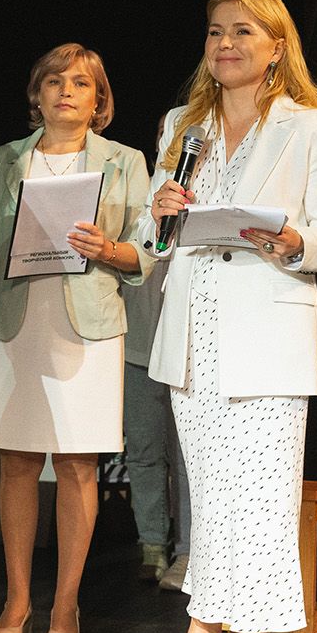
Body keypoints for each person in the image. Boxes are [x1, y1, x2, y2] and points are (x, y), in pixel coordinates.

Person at [122, 0, 317, 633]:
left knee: (262, 500)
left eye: (242, 32)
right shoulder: (181, 127)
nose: (225, 44)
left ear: (276, 46)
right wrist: (155, 221)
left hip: (267, 335)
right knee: (213, 498)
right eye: (215, 32)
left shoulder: (311, 128)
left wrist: (293, 240)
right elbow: (154, 244)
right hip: (194, 335)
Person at [0, 43, 153, 633]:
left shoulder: (125, 161)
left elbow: (149, 249)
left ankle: (66, 602)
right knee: (15, 461)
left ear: (99, 101)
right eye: (54, 81)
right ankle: (17, 598)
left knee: (76, 464)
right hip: (14, 326)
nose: (66, 90)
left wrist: (108, 249)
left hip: (88, 327)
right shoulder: (3, 161)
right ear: (36, 94)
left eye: (81, 83)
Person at [122, 118, 190, 589]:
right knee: (144, 451)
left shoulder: (197, 192)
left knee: (187, 458)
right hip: (137, 343)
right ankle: (151, 544)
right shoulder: (140, 193)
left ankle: (187, 552)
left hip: (185, 345)